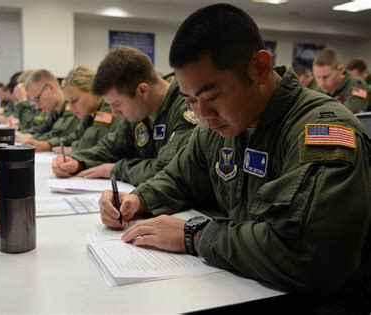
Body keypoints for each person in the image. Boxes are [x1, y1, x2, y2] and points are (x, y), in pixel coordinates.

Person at [98, 4, 370, 312]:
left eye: (213, 97)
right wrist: (138, 199)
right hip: (244, 286)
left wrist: (195, 235)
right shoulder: (220, 126)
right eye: (190, 100)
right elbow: (178, 178)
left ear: (260, 68)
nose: (203, 115)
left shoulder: (322, 130)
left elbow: (307, 255)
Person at [52, 46, 199, 186]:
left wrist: (116, 169)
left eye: (117, 104)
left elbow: (166, 171)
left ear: (142, 91)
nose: (114, 113)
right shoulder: (140, 111)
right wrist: (77, 161)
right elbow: (111, 147)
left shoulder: (188, 108)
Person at [52, 66, 120, 154]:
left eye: (75, 100)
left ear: (92, 90)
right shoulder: (89, 113)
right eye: (69, 102)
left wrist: (75, 148)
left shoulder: (107, 108)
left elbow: (93, 141)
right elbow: (75, 136)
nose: (72, 107)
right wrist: (49, 144)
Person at [19, 69, 79, 152]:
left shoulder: (72, 107)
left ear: (51, 87)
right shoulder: (55, 110)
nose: (36, 106)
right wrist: (26, 134)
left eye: (37, 98)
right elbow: (44, 128)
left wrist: (33, 138)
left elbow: (60, 134)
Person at [313, 49, 368, 113]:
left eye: (326, 77)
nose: (321, 83)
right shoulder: (318, 90)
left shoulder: (357, 85)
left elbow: (348, 115)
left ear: (340, 70)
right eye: (317, 77)